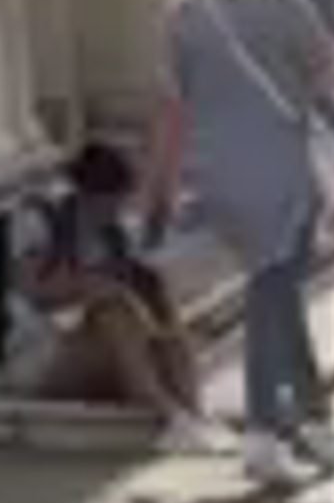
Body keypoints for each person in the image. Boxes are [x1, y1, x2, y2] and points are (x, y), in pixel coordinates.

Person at [145, 0, 334, 495]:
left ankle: (311, 416)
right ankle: (264, 432)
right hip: (281, 166)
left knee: (275, 291)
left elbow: (171, 111)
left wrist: (158, 192)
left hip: (215, 173)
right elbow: (328, 75)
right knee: (270, 293)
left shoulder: (181, 11)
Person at [13, 139, 210, 431]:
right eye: (110, 202)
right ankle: (170, 419)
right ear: (87, 194)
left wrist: (151, 292)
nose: (116, 210)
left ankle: (194, 415)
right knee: (112, 310)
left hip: (104, 349)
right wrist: (90, 287)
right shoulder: (41, 219)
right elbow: (32, 290)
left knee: (163, 307)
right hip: (43, 356)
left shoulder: (114, 233)